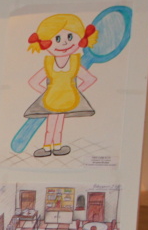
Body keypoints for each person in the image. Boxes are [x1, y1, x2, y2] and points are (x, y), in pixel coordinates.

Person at [25, 14, 99, 157]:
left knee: (58, 124)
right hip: (51, 100)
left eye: (70, 37)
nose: (64, 43)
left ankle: (56, 147)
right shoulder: (49, 64)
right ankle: (48, 148)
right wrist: (46, 93)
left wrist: (76, 91)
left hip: (68, 99)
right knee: (52, 124)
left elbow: (90, 79)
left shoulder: (75, 63)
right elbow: (33, 81)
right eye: (57, 39)